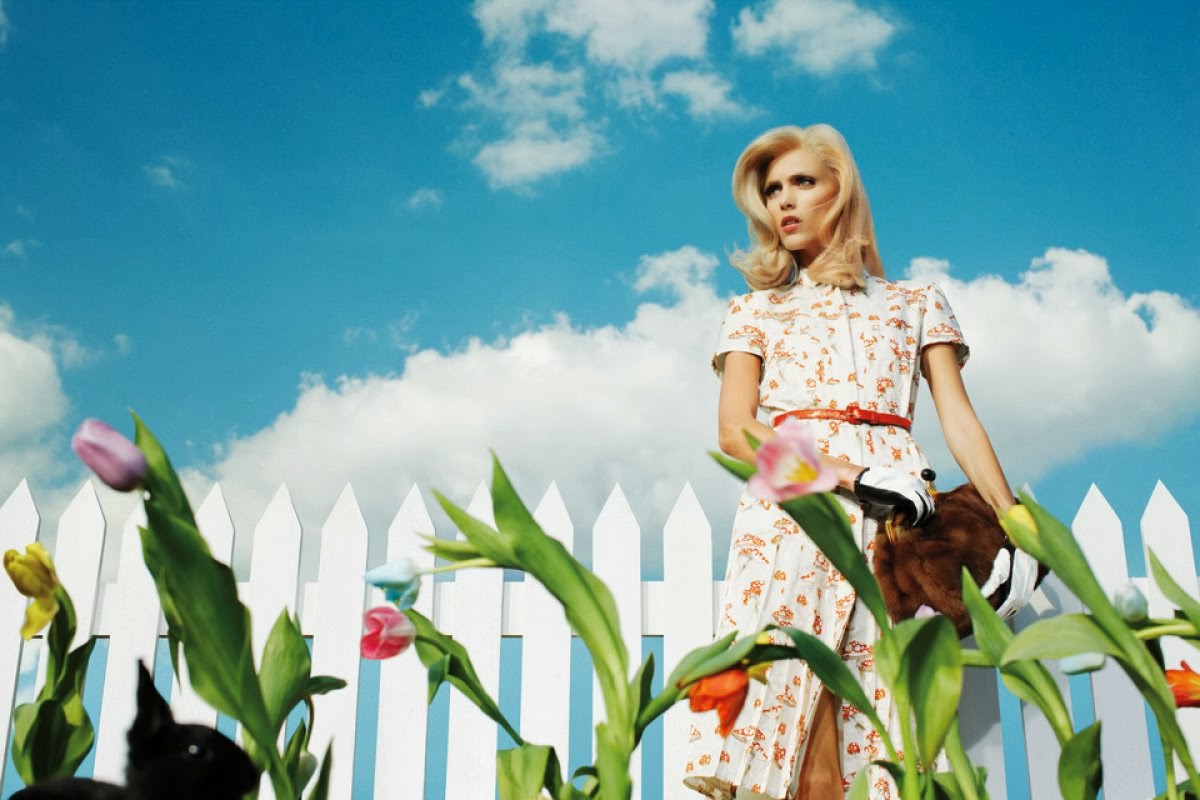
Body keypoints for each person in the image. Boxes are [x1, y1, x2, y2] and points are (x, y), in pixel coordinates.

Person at [682, 124, 1036, 799]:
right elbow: (736, 432)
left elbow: (959, 419)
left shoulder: (918, 301)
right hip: (797, 503)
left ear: (840, 189)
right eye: (772, 190)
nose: (784, 201)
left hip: (900, 511)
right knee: (793, 687)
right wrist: (854, 476)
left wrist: (1014, 524)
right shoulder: (754, 311)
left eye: (802, 182)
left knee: (881, 701)